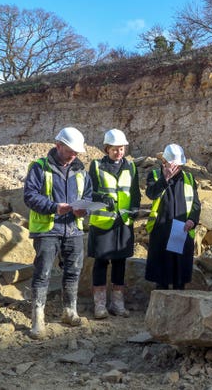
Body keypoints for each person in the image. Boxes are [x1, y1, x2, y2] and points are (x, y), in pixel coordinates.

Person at [23, 127, 93, 339]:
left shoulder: (81, 171)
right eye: (70, 151)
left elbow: (88, 195)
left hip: (73, 229)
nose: (73, 155)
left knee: (73, 270)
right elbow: (30, 196)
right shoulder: (39, 167)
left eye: (76, 152)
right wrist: (54, 207)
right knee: (43, 272)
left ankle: (69, 311)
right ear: (58, 145)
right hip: (47, 229)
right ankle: (38, 319)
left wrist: (85, 209)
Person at [87, 129, 140, 319]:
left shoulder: (131, 167)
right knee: (101, 262)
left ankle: (117, 304)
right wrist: (100, 197)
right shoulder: (97, 165)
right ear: (106, 149)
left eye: (122, 149)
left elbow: (135, 193)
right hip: (102, 223)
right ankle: (99, 306)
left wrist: (134, 210)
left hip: (123, 222)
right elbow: (88, 192)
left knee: (120, 263)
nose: (119, 153)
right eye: (115, 149)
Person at [145, 144, 200, 290]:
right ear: (164, 162)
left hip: (182, 232)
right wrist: (165, 178)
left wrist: (192, 220)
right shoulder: (155, 175)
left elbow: (195, 204)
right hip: (161, 231)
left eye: (179, 165)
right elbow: (151, 194)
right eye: (173, 165)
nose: (176, 168)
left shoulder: (189, 178)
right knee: (161, 276)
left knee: (180, 276)